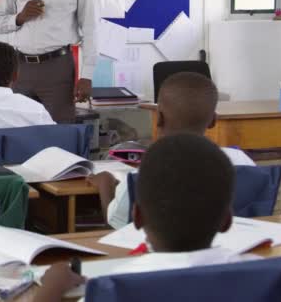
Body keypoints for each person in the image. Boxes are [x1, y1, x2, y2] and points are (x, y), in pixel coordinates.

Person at [35, 133, 253, 301]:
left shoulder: (114, 287)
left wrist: (51, 290)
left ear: (137, 217)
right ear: (227, 220)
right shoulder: (262, 275)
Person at [92, 72, 255, 229]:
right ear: (213, 120)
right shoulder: (243, 162)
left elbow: (117, 222)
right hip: (233, 252)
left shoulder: (148, 171)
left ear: (159, 117)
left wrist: (105, 184)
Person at [0, 0, 96, 123]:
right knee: (20, 131)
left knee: (59, 132)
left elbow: (90, 28)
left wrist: (87, 76)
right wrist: (20, 17)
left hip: (57, 67)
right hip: (21, 68)